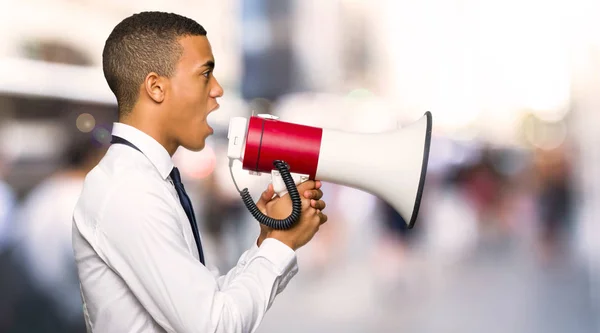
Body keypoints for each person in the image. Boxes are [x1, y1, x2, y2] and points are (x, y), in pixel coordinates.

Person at [72, 11, 328, 333]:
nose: (218, 90)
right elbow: (214, 326)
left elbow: (210, 301)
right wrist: (283, 243)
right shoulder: (130, 190)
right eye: (205, 75)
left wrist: (267, 241)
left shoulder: (145, 179)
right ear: (156, 87)